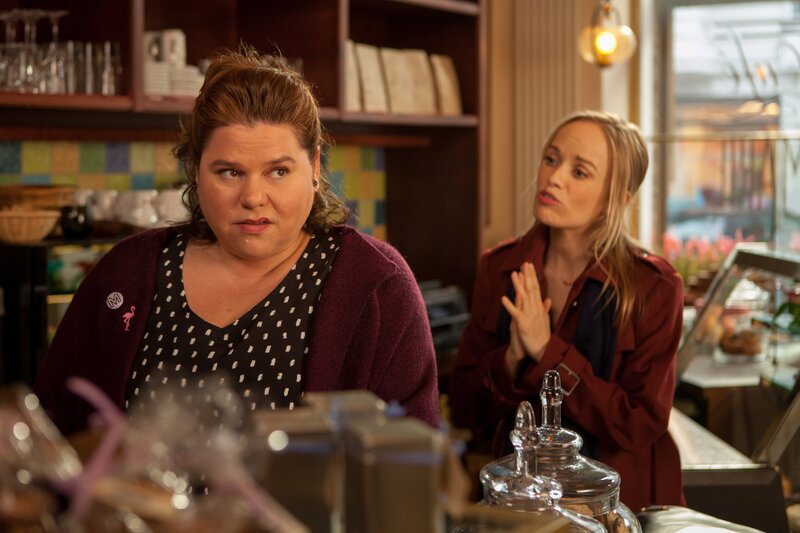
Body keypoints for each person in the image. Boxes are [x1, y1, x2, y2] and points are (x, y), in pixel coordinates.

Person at [34, 45, 440, 436]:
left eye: (278, 172)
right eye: (229, 172)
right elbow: (52, 430)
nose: (253, 197)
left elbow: (412, 458)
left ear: (315, 167)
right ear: (195, 171)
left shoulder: (377, 284)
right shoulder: (127, 271)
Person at [448, 110, 684, 510]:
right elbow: (465, 409)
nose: (553, 177)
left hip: (619, 510)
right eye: (551, 159)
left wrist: (547, 351)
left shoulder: (654, 287)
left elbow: (638, 425)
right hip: (521, 507)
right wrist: (512, 358)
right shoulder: (498, 267)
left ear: (617, 198)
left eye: (580, 172)